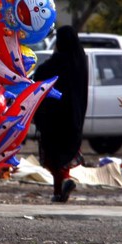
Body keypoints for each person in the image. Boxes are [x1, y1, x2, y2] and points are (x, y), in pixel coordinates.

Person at [33, 25, 88, 203]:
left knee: (53, 157)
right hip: (74, 117)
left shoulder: (56, 63)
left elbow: (40, 76)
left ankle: (61, 186)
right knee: (63, 157)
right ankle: (59, 191)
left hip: (54, 118)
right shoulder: (80, 61)